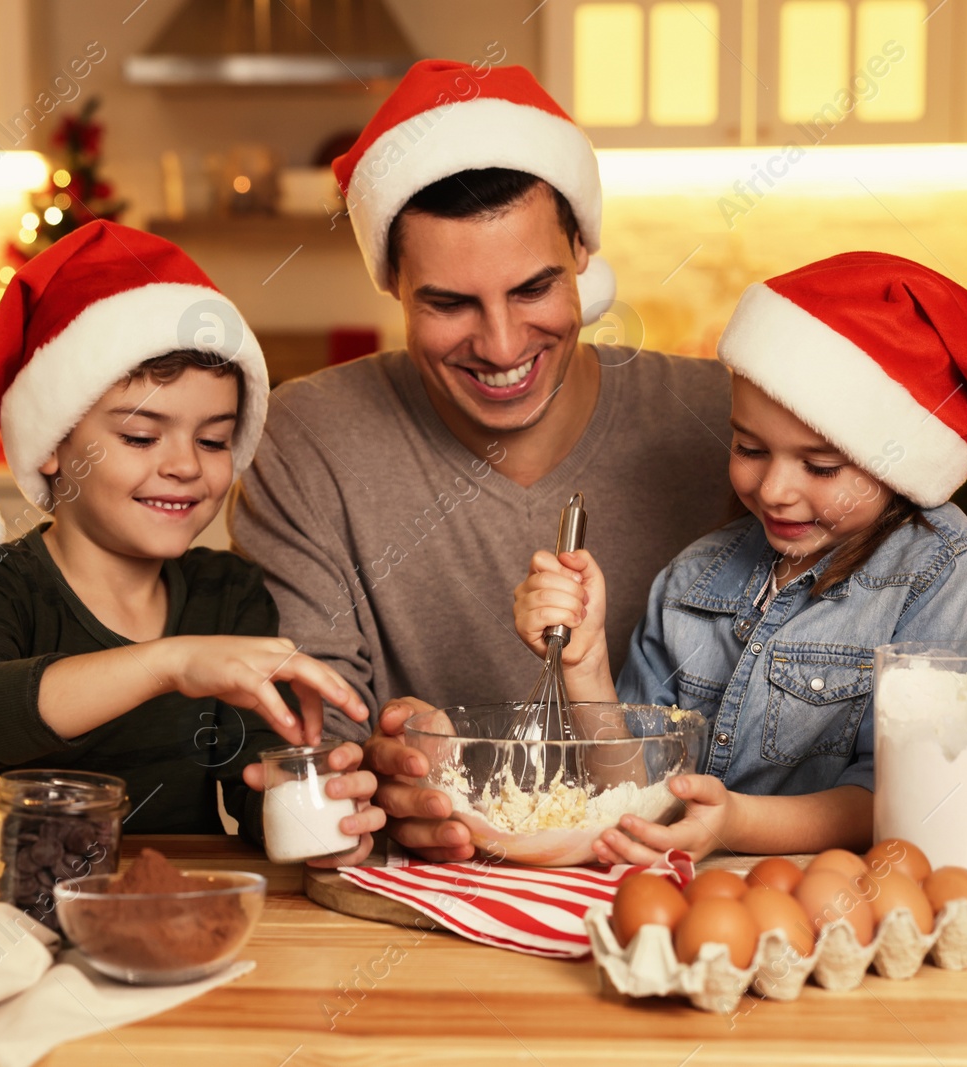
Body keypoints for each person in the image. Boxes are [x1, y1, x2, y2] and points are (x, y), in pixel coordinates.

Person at [230, 60, 733, 860]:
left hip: (690, 897)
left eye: (534, 288)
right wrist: (379, 784)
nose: (501, 346)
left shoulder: (726, 426)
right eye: (450, 302)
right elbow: (316, 750)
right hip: (422, 912)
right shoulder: (309, 441)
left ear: (581, 251)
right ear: (393, 281)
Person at [513, 252, 967, 861]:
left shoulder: (951, 578)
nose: (774, 490)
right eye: (749, 448)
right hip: (702, 905)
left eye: (821, 465)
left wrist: (734, 821)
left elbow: (920, 796)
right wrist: (588, 665)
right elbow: (628, 791)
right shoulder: (693, 578)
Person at [0, 221, 379, 864]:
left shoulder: (227, 595)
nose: (186, 465)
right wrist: (169, 664)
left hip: (176, 911)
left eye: (213, 439)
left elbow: (251, 789)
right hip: (5, 925)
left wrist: (316, 815)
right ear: (51, 447)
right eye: (141, 436)